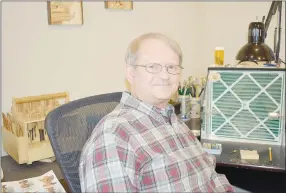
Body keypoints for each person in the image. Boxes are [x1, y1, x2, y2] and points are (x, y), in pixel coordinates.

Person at [79, 32, 239, 192]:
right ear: (130, 73)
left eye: (172, 67)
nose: (164, 75)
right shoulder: (113, 136)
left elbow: (209, 176)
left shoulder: (175, 122)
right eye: (153, 67)